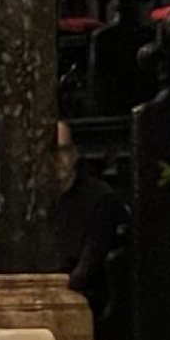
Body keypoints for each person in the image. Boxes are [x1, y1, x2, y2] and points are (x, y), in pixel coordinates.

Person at [53, 121, 127, 321]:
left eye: (63, 150)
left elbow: (87, 272)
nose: (57, 159)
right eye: (50, 151)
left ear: (74, 153)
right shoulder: (30, 202)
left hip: (83, 301)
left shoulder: (99, 199)